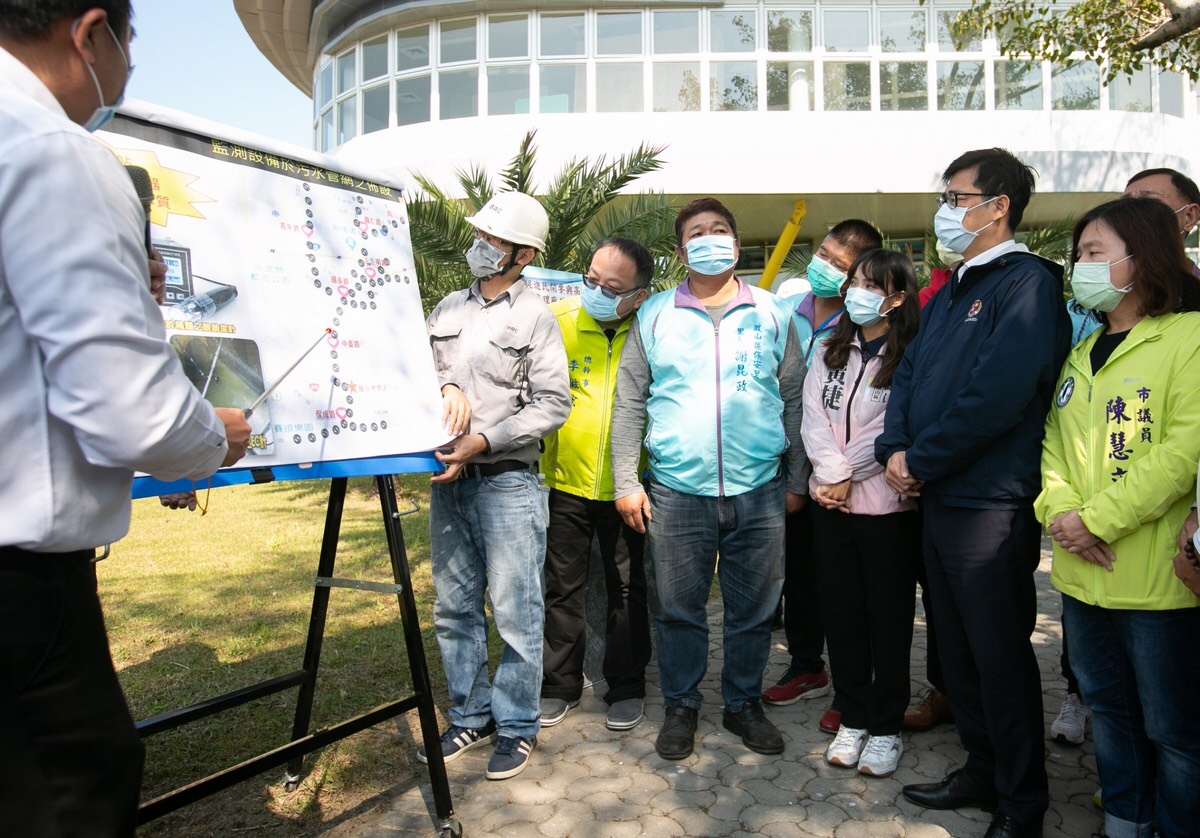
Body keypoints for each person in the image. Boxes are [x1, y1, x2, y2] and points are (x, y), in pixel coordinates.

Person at [0, 2, 252, 833]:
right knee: (68, 791)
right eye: (133, 45)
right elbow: (127, 411)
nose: (129, 67)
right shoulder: (52, 152)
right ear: (90, 32)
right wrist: (216, 435)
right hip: (22, 587)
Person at [877, 147, 1070, 838]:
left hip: (989, 505)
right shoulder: (954, 284)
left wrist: (919, 459)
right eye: (946, 194)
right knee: (957, 655)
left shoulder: (1027, 285)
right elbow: (909, 375)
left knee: (999, 657)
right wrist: (891, 451)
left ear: (998, 207)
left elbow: (999, 395)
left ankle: (1021, 802)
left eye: (957, 196)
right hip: (937, 499)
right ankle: (982, 770)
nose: (945, 208)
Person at [611, 197, 809, 760]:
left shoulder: (773, 313)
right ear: (681, 251)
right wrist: (628, 480)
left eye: (719, 230)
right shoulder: (653, 316)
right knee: (679, 610)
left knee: (754, 611)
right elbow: (629, 403)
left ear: (737, 242)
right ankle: (681, 707)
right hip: (676, 492)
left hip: (760, 489)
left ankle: (744, 703)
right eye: (696, 233)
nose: (709, 239)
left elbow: (793, 399)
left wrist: (795, 479)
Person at [1036, 197, 1200, 838]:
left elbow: (1183, 451)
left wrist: (1096, 520)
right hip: (1082, 578)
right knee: (1109, 709)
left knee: (1174, 728)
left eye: (1094, 253)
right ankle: (1126, 821)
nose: (1080, 265)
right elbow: (1052, 447)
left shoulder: (1187, 338)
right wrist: (1062, 514)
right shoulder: (1083, 354)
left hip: (1156, 580)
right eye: (1078, 255)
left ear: (1142, 258)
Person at [420, 191, 571, 780]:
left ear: (524, 254)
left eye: (496, 239)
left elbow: (553, 403)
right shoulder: (446, 308)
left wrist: (481, 441)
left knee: (515, 609)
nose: (481, 245)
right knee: (454, 607)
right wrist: (441, 392)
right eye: (480, 234)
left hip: (507, 482)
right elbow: (417, 371)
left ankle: (514, 724)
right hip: (447, 484)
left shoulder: (535, 317)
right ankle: (469, 712)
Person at [803, 249, 921, 778]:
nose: (858, 291)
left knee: (888, 621)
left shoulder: (911, 355)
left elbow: (893, 428)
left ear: (896, 298)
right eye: (855, 281)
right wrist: (831, 475)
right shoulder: (831, 347)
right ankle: (853, 716)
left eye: (874, 285)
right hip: (831, 506)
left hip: (886, 509)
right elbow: (810, 417)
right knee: (843, 615)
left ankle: (888, 725)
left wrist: (847, 471)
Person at [765, 220, 883, 739]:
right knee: (800, 577)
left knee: (845, 587)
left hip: (841, 479)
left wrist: (837, 470)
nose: (824, 266)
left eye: (839, 264)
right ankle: (808, 665)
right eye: (824, 253)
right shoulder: (784, 313)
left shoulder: (859, 328)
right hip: (784, 470)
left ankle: (855, 686)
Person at [539, 237, 653, 732]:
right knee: (562, 588)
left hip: (631, 486)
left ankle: (626, 686)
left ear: (640, 295)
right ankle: (558, 685)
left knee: (628, 589)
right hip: (564, 480)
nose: (597, 291)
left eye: (612, 286)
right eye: (591, 279)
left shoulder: (652, 330)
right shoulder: (558, 322)